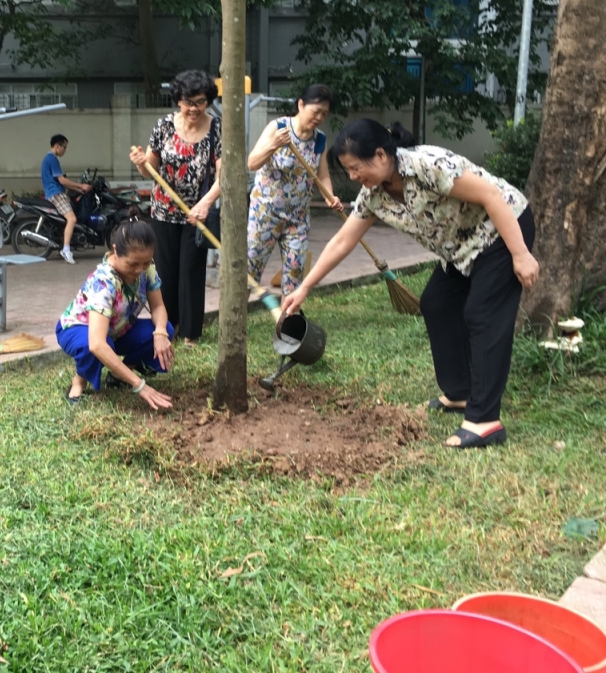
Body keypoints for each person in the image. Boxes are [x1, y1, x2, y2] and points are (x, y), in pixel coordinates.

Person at [281, 119, 539, 449]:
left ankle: (485, 421)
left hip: (502, 230)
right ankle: (459, 393)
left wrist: (520, 254)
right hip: (459, 246)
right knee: (437, 303)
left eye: (356, 168)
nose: (353, 177)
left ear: (380, 155)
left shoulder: (428, 165)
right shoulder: (373, 194)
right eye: (347, 171)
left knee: (483, 315)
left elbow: (491, 196)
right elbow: (343, 241)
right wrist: (304, 287)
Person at [128, 70, 221, 345]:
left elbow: (223, 175)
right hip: (164, 211)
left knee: (191, 271)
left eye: (200, 102)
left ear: (208, 101)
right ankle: (169, 326)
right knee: (166, 272)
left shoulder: (216, 129)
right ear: (178, 100)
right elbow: (150, 171)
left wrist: (204, 205)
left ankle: (191, 333)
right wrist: (139, 161)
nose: (193, 108)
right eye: (187, 101)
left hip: (197, 214)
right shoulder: (164, 126)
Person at [56, 211, 175, 410]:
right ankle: (79, 381)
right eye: (133, 264)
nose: (140, 269)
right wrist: (140, 386)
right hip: (77, 328)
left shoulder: (148, 269)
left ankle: (120, 373)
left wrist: (160, 332)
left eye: (146, 262)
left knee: (166, 330)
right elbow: (96, 344)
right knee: (95, 346)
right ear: (115, 252)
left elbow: (158, 307)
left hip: (117, 329)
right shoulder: (104, 282)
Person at [246, 84, 343, 296]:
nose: (319, 117)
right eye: (315, 111)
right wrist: (273, 144)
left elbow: (323, 175)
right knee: (250, 271)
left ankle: (287, 327)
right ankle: (237, 326)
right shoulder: (278, 127)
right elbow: (252, 163)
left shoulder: (320, 139)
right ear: (301, 104)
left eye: (324, 114)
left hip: (297, 218)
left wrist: (330, 196)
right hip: (265, 214)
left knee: (295, 276)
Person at [40, 134, 91, 264]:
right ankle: (66, 250)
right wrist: (81, 185)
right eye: (64, 147)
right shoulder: (52, 159)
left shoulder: (48, 159)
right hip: (56, 193)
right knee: (72, 218)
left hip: (54, 192)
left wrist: (79, 189)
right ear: (57, 146)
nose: (65, 150)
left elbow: (60, 181)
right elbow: (62, 180)